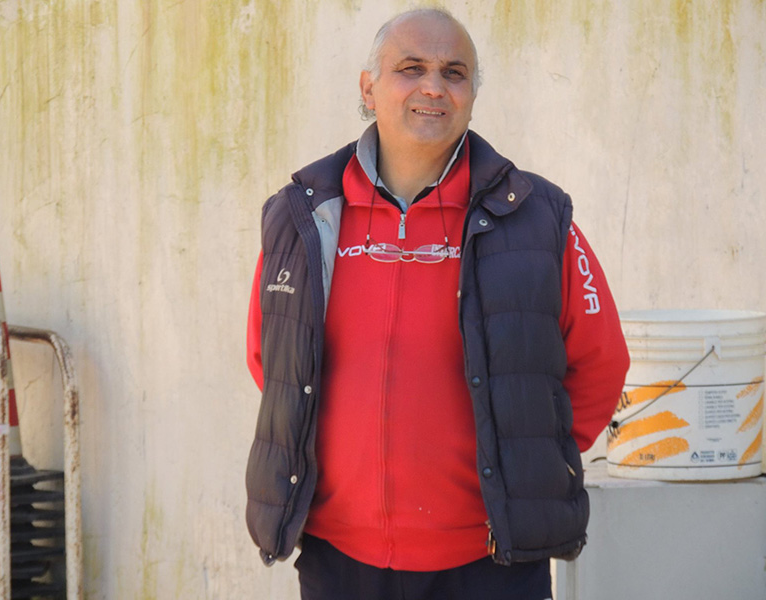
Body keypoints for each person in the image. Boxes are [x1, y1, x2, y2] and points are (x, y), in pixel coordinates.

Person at [245, 8, 629, 600]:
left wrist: (528, 460)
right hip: (338, 560)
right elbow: (272, 359)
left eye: (454, 72)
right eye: (411, 68)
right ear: (369, 88)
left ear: (472, 94)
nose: (433, 86)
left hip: (489, 562)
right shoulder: (303, 214)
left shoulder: (535, 217)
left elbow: (600, 363)